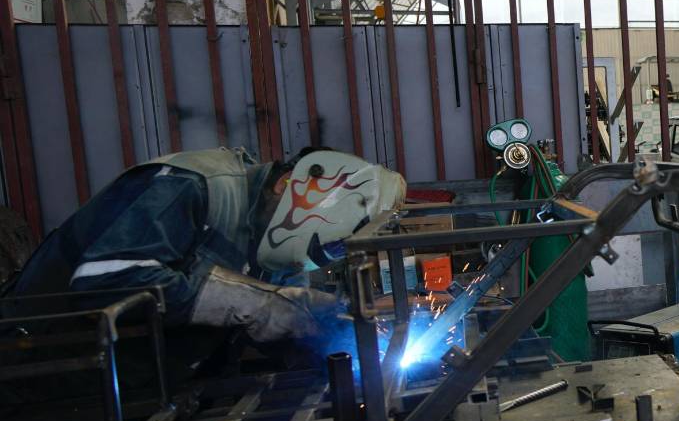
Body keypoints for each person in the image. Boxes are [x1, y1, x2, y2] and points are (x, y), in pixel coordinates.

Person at [4, 147, 406, 382]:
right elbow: (106, 280)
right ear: (290, 187)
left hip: (153, 382)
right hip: (44, 372)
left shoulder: (272, 237)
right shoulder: (190, 184)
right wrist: (262, 304)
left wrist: (344, 346)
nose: (327, 250)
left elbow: (278, 321)